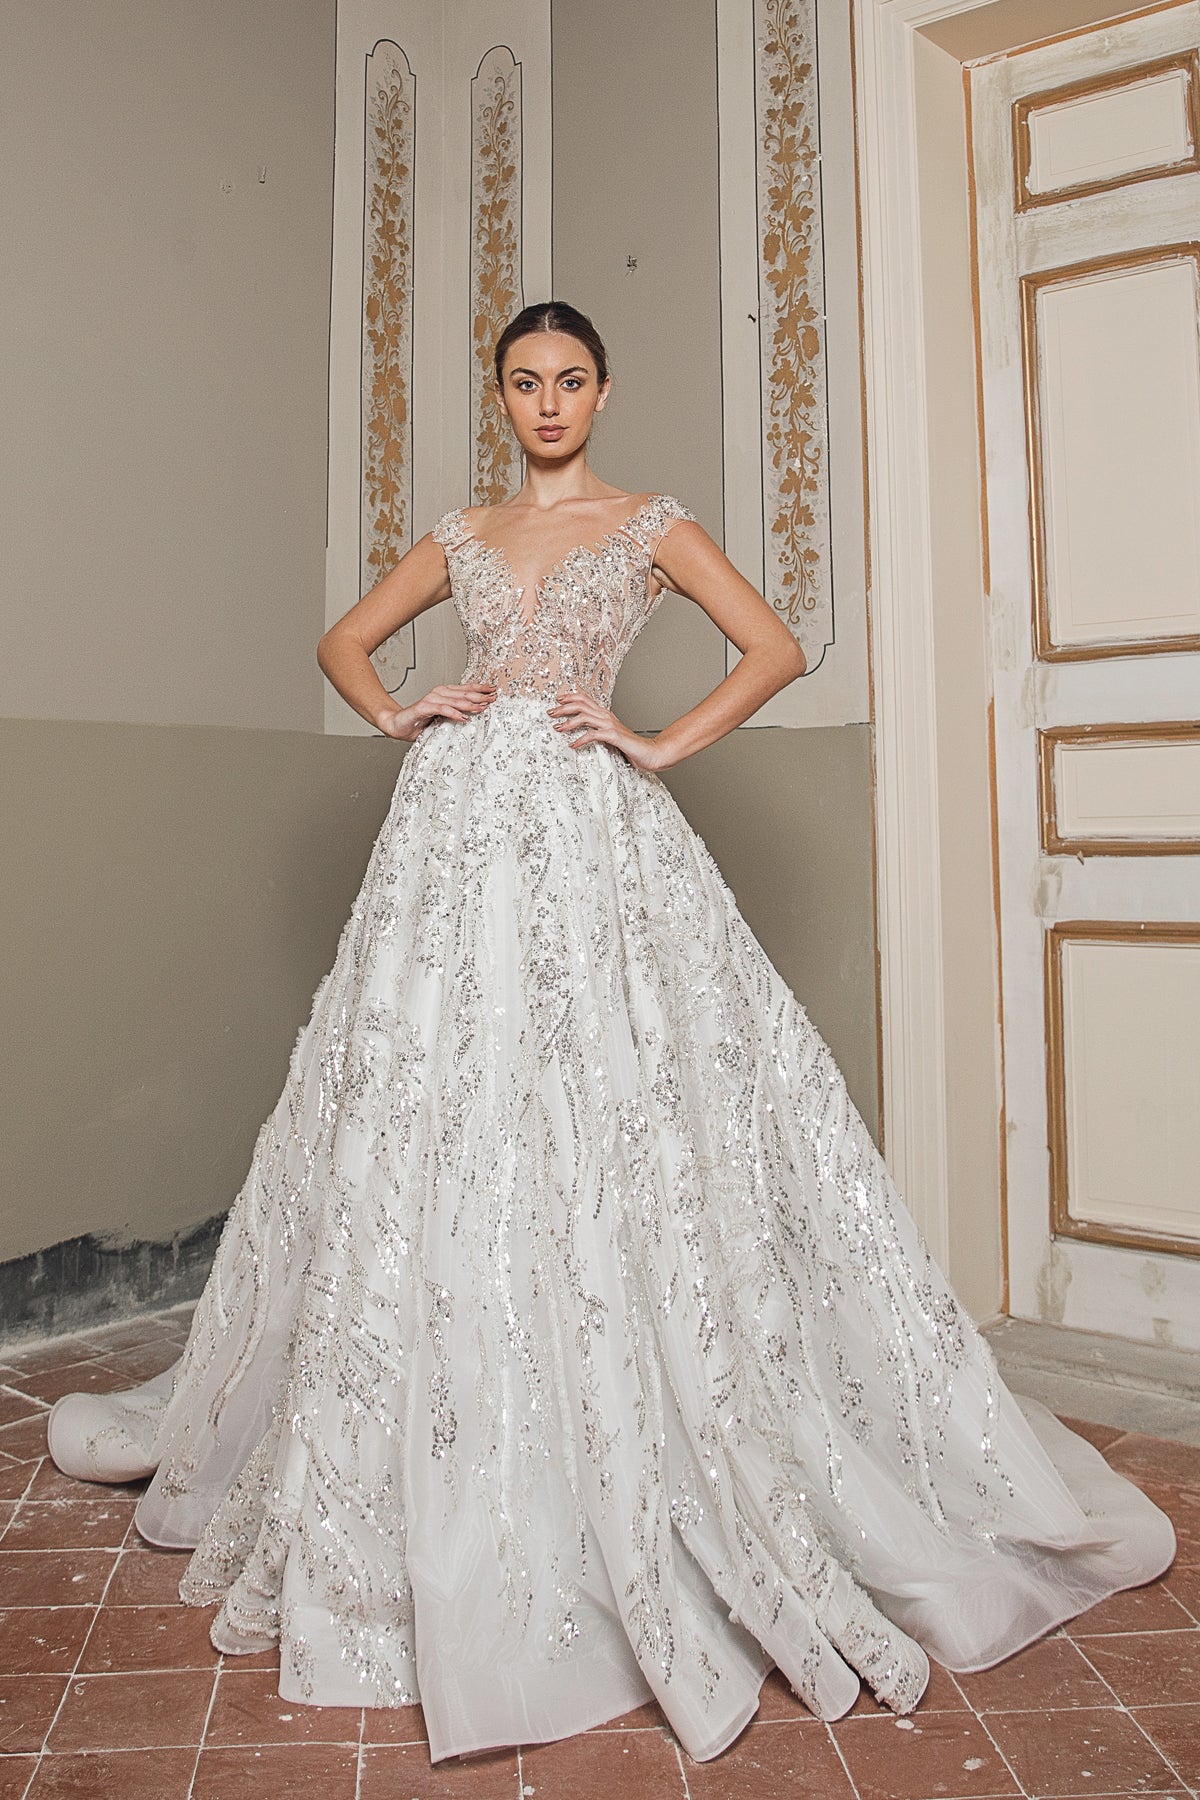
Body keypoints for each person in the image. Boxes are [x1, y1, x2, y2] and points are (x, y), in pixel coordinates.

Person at [48, 300, 1173, 1765]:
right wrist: (403, 712)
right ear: (501, 396)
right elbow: (344, 641)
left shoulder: (648, 525)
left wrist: (654, 745)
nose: (548, 402)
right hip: (451, 830)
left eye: (570, 380)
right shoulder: (464, 532)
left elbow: (771, 647)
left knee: (607, 1106)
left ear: (601, 391)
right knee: (433, 1101)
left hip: (591, 832)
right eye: (525, 382)